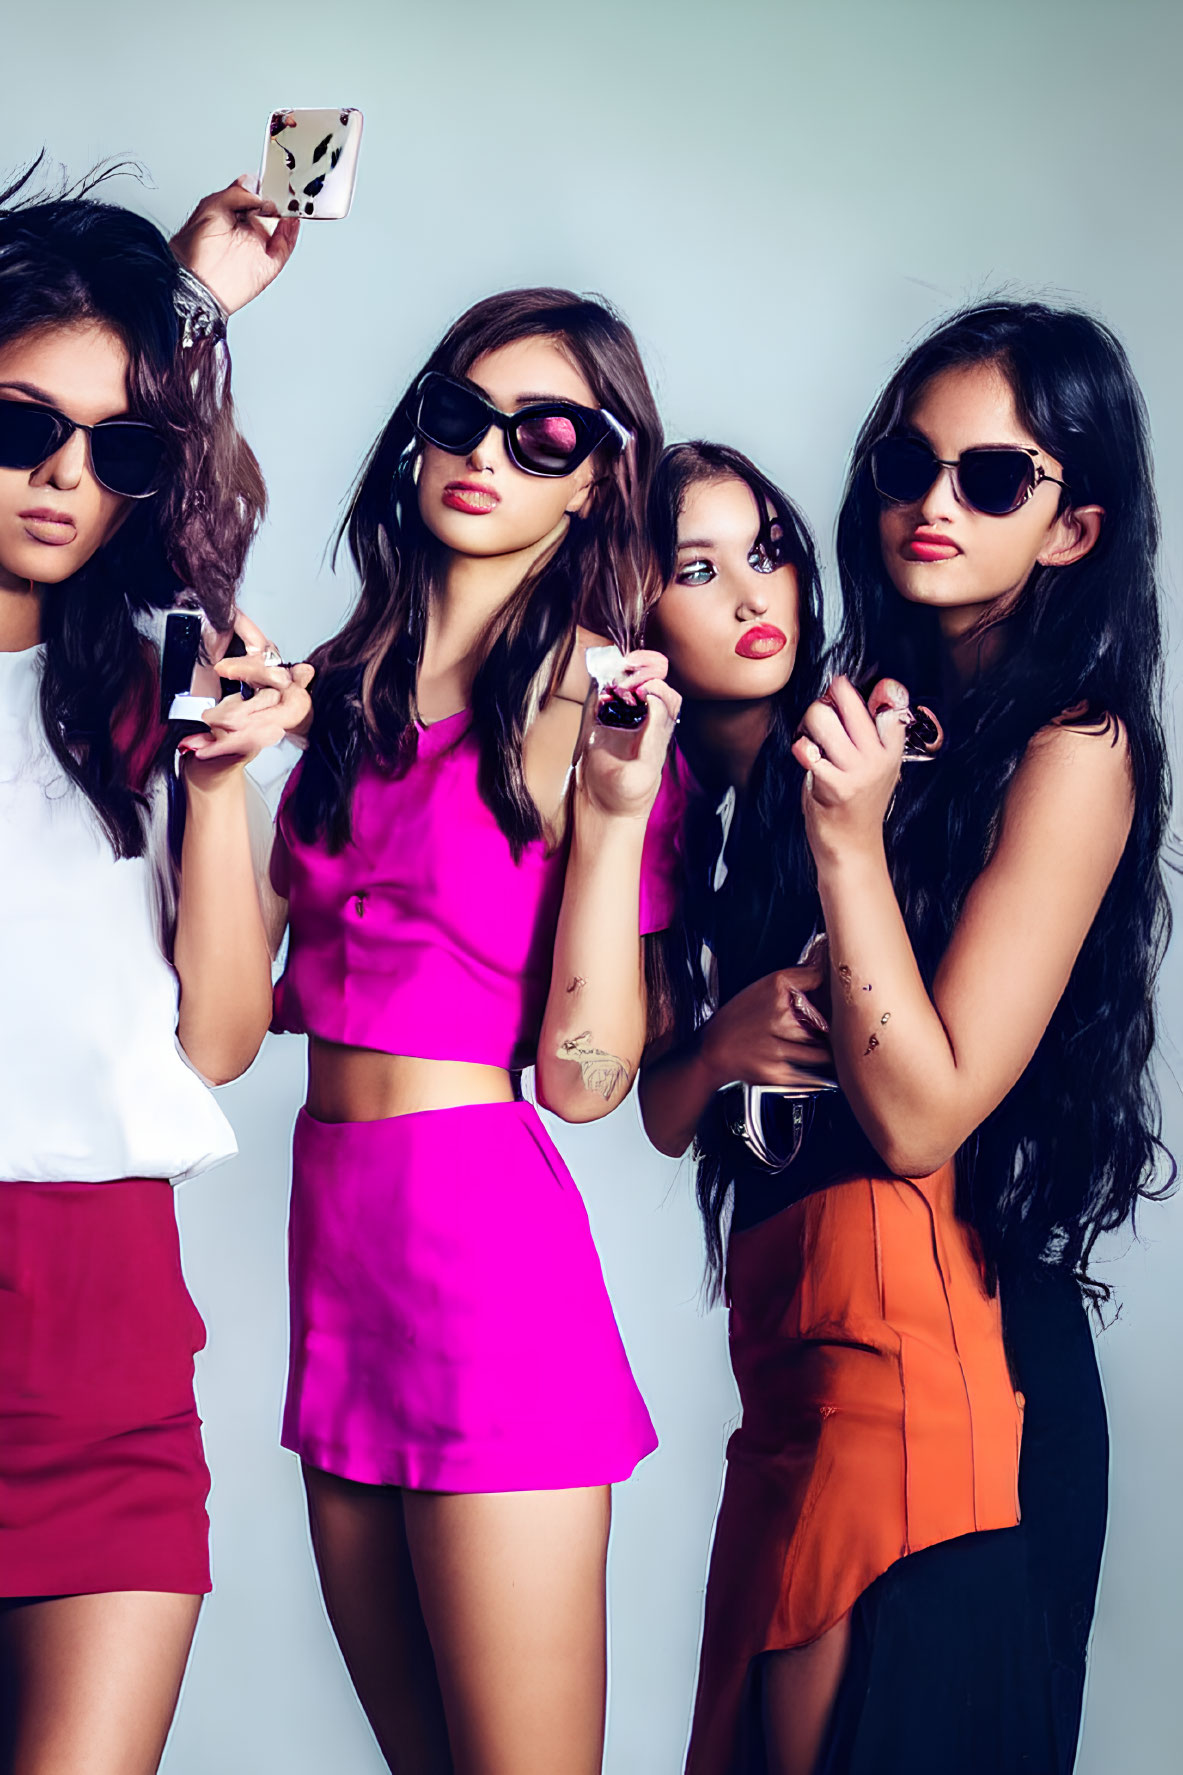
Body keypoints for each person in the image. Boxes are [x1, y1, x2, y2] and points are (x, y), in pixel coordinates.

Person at [644, 305, 1171, 1775]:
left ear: (1072, 530)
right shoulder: (844, 721)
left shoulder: (1077, 754)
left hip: (965, 1362)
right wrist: (732, 1038)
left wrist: (852, 847)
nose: (932, 504)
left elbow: (925, 1114)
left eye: (993, 479)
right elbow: (683, 1105)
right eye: (904, 464)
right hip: (796, 1356)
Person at [263, 287, 681, 1775]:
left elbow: (583, 1083)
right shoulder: (331, 688)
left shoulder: (588, 696)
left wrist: (620, 816)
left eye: (545, 431)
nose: (487, 452)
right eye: (461, 411)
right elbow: (230, 1015)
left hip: (484, 1255)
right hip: (339, 1248)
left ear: (595, 479)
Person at [0, 166, 307, 1775]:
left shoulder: (140, 700)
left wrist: (212, 791)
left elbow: (223, 1041)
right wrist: (177, 301)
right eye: (16, 430)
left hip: (109, 1349)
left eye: (113, 453)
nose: (61, 477)